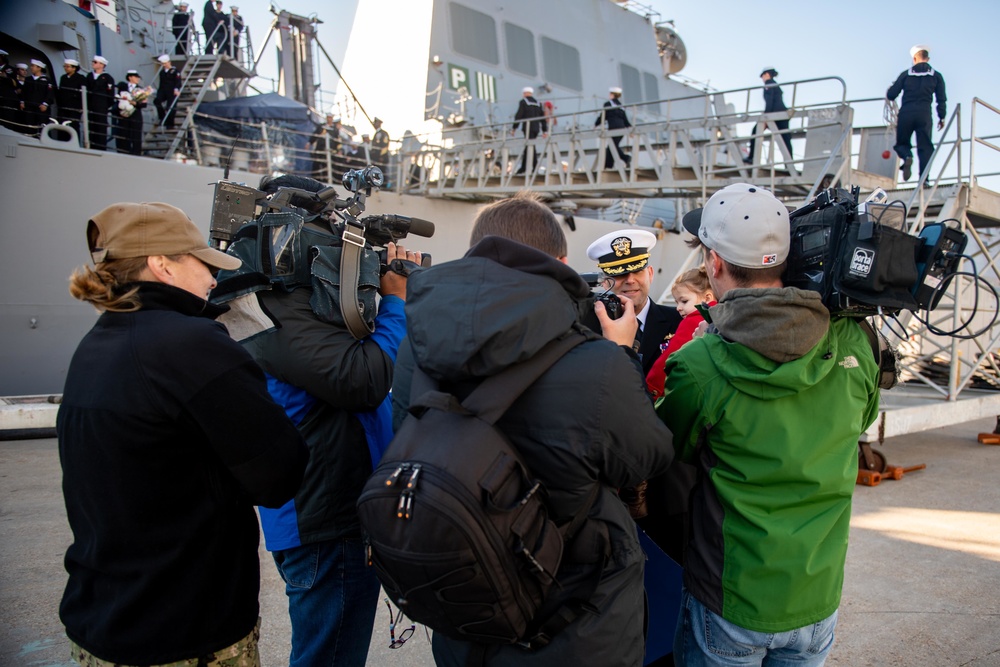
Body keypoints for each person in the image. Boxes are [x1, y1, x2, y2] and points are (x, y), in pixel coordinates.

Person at [391, 191, 674, 667]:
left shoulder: (416, 346)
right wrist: (621, 354)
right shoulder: (595, 362)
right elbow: (647, 456)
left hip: (465, 593)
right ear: (561, 264)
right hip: (570, 617)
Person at [58, 201, 309, 666]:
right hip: (185, 631)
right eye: (203, 263)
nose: (214, 280)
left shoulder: (96, 344)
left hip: (102, 619)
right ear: (162, 264)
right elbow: (279, 475)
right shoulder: (192, 344)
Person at [659, 182, 881, 666]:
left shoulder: (701, 362)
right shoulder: (855, 341)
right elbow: (863, 417)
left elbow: (665, 448)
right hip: (817, 597)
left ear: (713, 264)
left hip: (732, 601)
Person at [240, 175, 422, 667]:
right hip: (324, 520)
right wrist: (398, 303)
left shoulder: (300, 304)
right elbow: (362, 380)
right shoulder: (276, 307)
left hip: (336, 512)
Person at [584, 229, 691, 570]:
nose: (629, 280)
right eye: (619, 273)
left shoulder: (682, 325)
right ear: (605, 279)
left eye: (635, 270)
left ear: (649, 272)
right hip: (608, 482)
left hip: (666, 488)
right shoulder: (586, 328)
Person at [645, 267, 716, 400]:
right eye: (677, 302)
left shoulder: (692, 320)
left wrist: (652, 389)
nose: (678, 308)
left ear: (707, 298)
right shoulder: (725, 316)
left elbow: (669, 358)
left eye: (684, 301)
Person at [887, 44, 947, 182]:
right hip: (924, 114)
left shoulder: (905, 75)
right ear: (928, 58)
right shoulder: (936, 76)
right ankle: (924, 179)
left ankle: (907, 156)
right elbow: (941, 99)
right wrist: (941, 117)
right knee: (925, 147)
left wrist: (892, 88)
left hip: (906, 113)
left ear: (914, 58)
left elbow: (891, 95)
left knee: (901, 143)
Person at [746, 68, 793, 164]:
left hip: (774, 114)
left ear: (767, 74)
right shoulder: (775, 84)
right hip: (782, 114)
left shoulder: (769, 83)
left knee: (755, 132)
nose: (762, 79)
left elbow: (769, 100)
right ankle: (789, 164)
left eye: (762, 76)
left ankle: (752, 157)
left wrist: (766, 116)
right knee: (785, 139)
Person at [512, 86, 547, 175]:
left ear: (525, 93)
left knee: (530, 147)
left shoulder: (523, 102)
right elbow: (543, 118)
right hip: (536, 128)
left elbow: (518, 115)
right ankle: (525, 167)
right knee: (529, 146)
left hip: (528, 127)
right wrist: (544, 130)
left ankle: (531, 167)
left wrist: (514, 128)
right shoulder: (538, 103)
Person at [595, 86, 631, 169]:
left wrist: (596, 124)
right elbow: (625, 119)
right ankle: (608, 165)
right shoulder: (621, 106)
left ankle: (625, 158)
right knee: (612, 146)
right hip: (621, 129)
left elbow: (603, 116)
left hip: (614, 128)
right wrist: (629, 128)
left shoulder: (608, 104)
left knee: (612, 146)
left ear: (612, 95)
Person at [114, 69, 146, 155]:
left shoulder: (140, 89)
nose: (138, 79)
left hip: (135, 115)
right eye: (136, 77)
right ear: (130, 77)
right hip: (124, 115)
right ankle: (124, 152)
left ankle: (136, 154)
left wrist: (135, 103)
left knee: (136, 136)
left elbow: (144, 104)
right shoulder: (123, 87)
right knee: (123, 135)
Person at [85, 55, 114, 150]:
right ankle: (91, 147)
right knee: (91, 127)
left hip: (101, 107)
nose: (93, 63)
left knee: (101, 128)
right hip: (90, 106)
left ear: (102, 65)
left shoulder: (107, 78)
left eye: (95, 62)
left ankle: (101, 148)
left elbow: (110, 94)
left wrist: (104, 105)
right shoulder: (89, 76)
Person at [20, 59, 54, 136]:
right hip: (30, 107)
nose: (31, 68)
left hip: (41, 107)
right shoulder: (28, 79)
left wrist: (45, 104)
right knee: (30, 126)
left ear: (39, 68)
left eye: (33, 66)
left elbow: (50, 93)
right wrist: (22, 102)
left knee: (43, 127)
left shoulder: (47, 80)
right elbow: (24, 92)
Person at [56, 58, 86, 138]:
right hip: (63, 107)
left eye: (68, 66)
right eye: (65, 66)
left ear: (74, 68)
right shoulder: (63, 78)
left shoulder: (81, 78)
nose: (65, 68)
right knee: (62, 126)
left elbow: (82, 94)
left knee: (74, 127)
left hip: (74, 107)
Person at [154, 54, 181, 129]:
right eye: (163, 64)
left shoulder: (175, 71)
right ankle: (162, 117)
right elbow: (161, 83)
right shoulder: (162, 72)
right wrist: (159, 92)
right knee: (157, 101)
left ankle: (170, 124)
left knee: (171, 107)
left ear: (169, 62)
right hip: (163, 90)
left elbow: (178, 81)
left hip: (172, 91)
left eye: (166, 63)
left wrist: (176, 89)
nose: (165, 65)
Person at [0, 50, 21, 131]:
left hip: (7, 99)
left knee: (7, 122)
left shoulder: (11, 69)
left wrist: (6, 77)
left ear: (2, 57)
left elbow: (16, 84)